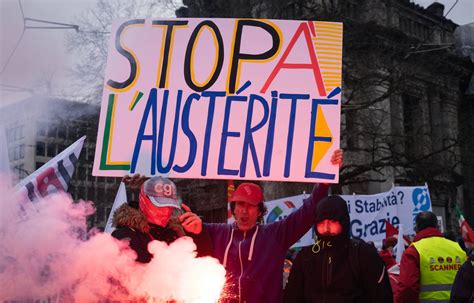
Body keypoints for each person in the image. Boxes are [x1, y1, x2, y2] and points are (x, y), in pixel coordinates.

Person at [181, 149, 343, 303]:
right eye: (240, 204)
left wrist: (323, 182)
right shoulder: (216, 232)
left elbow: (307, 212)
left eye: (251, 205)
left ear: (260, 211)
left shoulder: (275, 235)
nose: (244, 210)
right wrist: (193, 226)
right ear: (234, 208)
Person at [283, 195, 393, 303]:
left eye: (332, 222)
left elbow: (382, 296)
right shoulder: (305, 257)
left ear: (343, 222)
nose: (326, 229)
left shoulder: (362, 254)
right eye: (321, 223)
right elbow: (292, 297)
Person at [111, 176, 212, 263]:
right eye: (160, 205)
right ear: (143, 201)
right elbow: (136, 271)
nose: (166, 211)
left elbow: (203, 267)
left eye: (169, 205)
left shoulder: (176, 232)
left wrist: (198, 235)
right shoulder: (124, 235)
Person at [398, 211, 467, 303]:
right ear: (437, 226)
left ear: (416, 228)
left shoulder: (413, 251)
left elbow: (407, 287)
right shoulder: (458, 248)